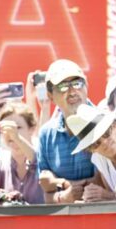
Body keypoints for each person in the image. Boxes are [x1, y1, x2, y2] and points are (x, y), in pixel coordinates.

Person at [38, 59, 95, 204]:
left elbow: (106, 181)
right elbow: (46, 190)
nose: (72, 92)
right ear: (50, 96)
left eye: (77, 83)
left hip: (105, 219)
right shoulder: (46, 134)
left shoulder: (105, 124)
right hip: (63, 222)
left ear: (86, 85)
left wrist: (62, 184)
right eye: (63, 86)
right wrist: (63, 194)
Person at [66, 103, 116, 200]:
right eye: (96, 143)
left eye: (106, 133)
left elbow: (113, 196)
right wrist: (92, 195)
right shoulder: (99, 159)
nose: (105, 142)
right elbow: (115, 197)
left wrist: (107, 196)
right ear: (91, 149)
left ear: (114, 126)